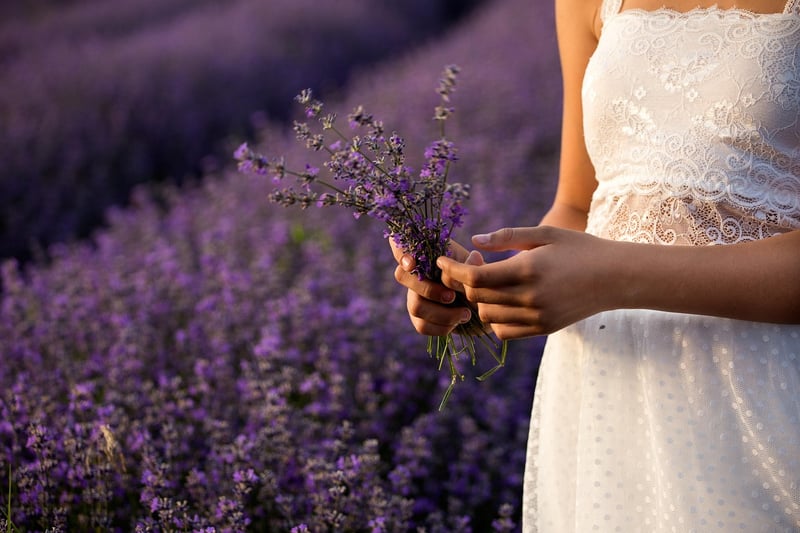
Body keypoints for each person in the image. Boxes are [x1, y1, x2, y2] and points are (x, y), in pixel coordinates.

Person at [391, 0, 800, 530]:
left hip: (761, 388)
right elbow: (580, 205)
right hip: (607, 390)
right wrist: (490, 286)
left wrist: (608, 278)